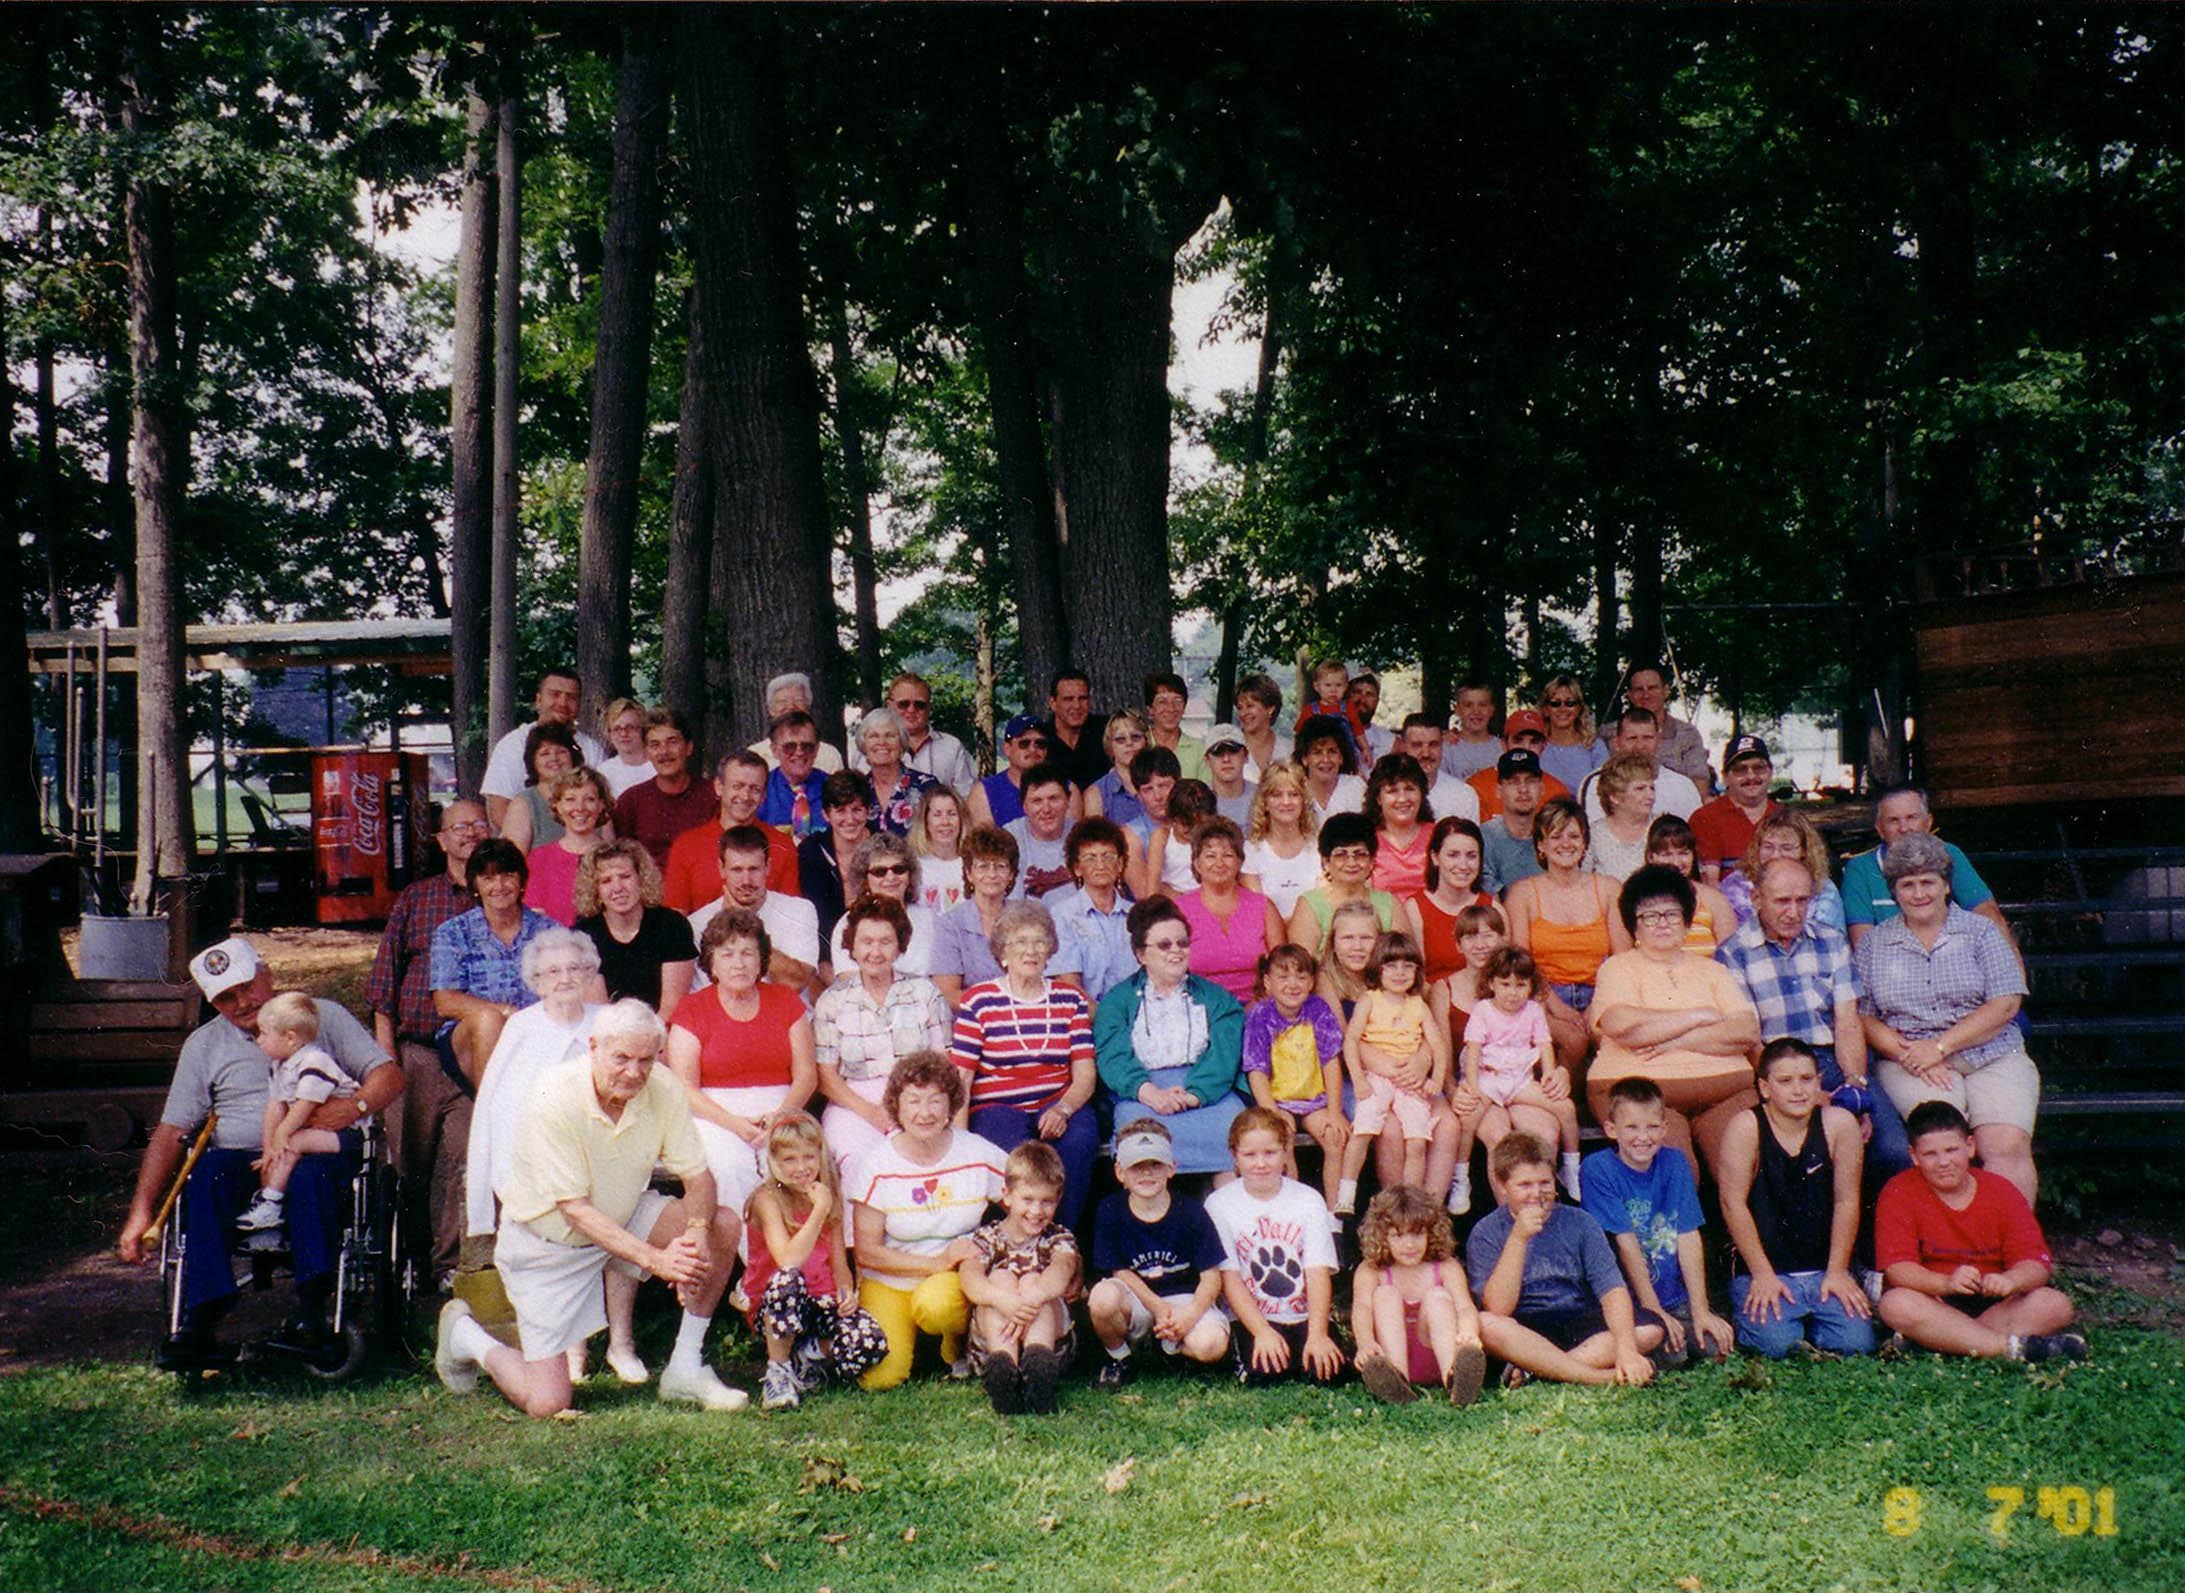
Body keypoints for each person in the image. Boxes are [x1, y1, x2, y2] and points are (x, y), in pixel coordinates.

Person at [434, 998, 747, 1415]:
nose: (634, 1072)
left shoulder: (664, 1086)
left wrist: (695, 1237)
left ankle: (684, 1369)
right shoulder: (554, 1096)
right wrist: (659, 1261)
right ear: (593, 1046)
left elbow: (698, 1176)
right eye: (621, 1058)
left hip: (623, 1214)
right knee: (547, 1402)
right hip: (548, 1244)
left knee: (722, 1224)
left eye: (645, 1060)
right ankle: (467, 1337)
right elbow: (575, 1211)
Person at [122, 939, 402, 1368]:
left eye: (246, 987)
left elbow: (388, 1076)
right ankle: (199, 1323)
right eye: (224, 998)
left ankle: (312, 1318)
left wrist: (352, 1107)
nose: (240, 1003)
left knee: (312, 1175)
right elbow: (172, 1131)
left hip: (314, 1154)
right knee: (208, 1171)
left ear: (267, 973)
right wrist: (142, 1210)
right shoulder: (204, 1045)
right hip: (243, 1162)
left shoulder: (320, 1016)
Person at [459, 930, 629, 1385]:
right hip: (542, 1165)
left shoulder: (609, 1019)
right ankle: (571, 1351)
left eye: (575, 968)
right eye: (553, 971)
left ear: (590, 972)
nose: (566, 977)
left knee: (620, 1216)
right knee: (562, 1237)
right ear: (536, 979)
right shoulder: (522, 1028)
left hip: (607, 1152)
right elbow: (500, 1104)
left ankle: (622, 1343)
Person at [1854, 831, 2038, 1202]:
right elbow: (1863, 1017)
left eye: (1928, 882)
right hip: (1911, 1061)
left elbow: (2006, 1003)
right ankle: (1951, 1248)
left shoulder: (1980, 931)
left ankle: (2011, 1247)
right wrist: (1913, 1054)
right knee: (1942, 1142)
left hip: (1991, 1054)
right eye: (1908, 885)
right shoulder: (1875, 943)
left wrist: (1940, 1046)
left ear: (1946, 886)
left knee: (2005, 1143)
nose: (1919, 893)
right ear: (1894, 891)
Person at [1716, 855, 1909, 1185]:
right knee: (1807, 1155)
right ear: (1756, 899)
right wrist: (1809, 1093)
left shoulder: (1831, 941)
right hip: (1774, 1066)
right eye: (1782, 901)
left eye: (1802, 900)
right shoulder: (1733, 953)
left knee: (1892, 1149)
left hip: (1832, 1058)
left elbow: (1848, 1022)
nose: (1793, 912)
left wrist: (1854, 1089)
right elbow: (1751, 1040)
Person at [366, 799, 488, 1287]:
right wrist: (385, 1059)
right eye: (460, 827)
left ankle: (449, 1268)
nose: (471, 834)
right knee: (407, 1163)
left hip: (469, 1056)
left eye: (480, 824)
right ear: (441, 840)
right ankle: (402, 1263)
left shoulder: (500, 898)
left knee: (466, 1160)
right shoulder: (418, 898)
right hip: (413, 1052)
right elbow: (383, 984)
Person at [1874, 1102, 2086, 1363]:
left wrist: (2012, 1280)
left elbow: (2035, 1264)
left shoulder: (2001, 1191)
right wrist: (1947, 1283)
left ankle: (1940, 1341)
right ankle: (2010, 1348)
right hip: (1936, 1299)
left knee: (2055, 1305)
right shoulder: (1899, 1191)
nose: (1943, 1162)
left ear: (1970, 1147)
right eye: (1930, 1154)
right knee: (1896, 1304)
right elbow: (1899, 1269)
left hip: (1994, 1303)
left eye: (1952, 1150)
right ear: (1914, 1156)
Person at [845, 1051, 1008, 1390]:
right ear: (896, 1106)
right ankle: (914, 1346)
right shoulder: (876, 1163)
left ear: (951, 1105)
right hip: (890, 1278)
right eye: (914, 1101)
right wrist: (934, 1262)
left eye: (936, 1101)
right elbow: (867, 1253)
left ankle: (954, 1348)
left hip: (949, 1278)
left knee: (937, 1307)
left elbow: (1022, 1192)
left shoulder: (976, 1152)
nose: (925, 1112)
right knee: (879, 1379)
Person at [1586, 865, 1760, 1170]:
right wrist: (1699, 1015)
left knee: (1740, 1168)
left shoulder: (1714, 971)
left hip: (1726, 1091)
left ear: (1687, 921)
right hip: (1643, 1092)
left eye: (1672, 914)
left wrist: (1677, 1039)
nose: (1662, 923)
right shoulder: (1618, 967)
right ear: (1634, 926)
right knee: (1676, 1171)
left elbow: (1746, 1031)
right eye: (1650, 916)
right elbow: (1622, 1026)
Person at [1714, 1040, 1875, 1359]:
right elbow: (1733, 1204)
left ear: (1819, 1082)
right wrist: (1761, 1274)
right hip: (1764, 1270)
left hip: (1822, 1269)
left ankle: (1817, 1316)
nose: (1798, 1090)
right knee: (1777, 1346)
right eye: (1785, 1081)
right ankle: (1758, 1316)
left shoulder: (1839, 1124)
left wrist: (1838, 1271)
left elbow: (1847, 1201)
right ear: (1764, 1087)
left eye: (1806, 1079)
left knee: (1856, 1344)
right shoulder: (1746, 1127)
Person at [1466, 1133, 1663, 1388]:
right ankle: (1599, 1377)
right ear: (1503, 1186)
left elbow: (1612, 1290)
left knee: (1650, 1329)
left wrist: (1626, 1351)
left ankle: (1535, 1371)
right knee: (1487, 1325)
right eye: (1525, 1185)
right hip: (1524, 1327)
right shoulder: (1486, 1232)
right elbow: (1498, 1307)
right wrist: (1518, 1239)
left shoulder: (1580, 1222)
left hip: (1576, 1320)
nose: (1537, 1194)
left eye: (1544, 1183)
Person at [950, 900, 1099, 1231]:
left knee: (1078, 1143)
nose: (1030, 950)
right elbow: (963, 1077)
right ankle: (1021, 1240)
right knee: (1016, 1160)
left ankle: (1063, 1239)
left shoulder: (1069, 999)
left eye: (1040, 941)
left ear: (1050, 951)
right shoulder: (979, 1000)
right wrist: (958, 1141)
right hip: (997, 1106)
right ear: (1003, 951)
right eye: (1020, 941)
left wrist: (1063, 1110)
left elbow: (1085, 1073)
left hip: (1059, 1101)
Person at [668, 911, 818, 1215]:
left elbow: (806, 1075)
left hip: (781, 1105)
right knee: (730, 1166)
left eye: (748, 953)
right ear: (712, 961)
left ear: (761, 958)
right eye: (728, 954)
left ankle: (797, 1253)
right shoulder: (692, 1009)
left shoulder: (786, 1001)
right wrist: (735, 1125)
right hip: (715, 1113)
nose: (739, 963)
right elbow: (684, 1087)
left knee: (789, 1161)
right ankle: (756, 1258)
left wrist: (781, 1117)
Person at [1581, 1078, 1734, 1368]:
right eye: (1632, 1127)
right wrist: (1653, 1310)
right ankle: (1649, 1337)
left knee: (1713, 1346)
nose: (1643, 1137)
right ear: (1611, 1129)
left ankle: (1680, 1325)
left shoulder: (1674, 1162)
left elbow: (1687, 1234)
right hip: (1631, 1301)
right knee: (1674, 1354)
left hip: (1675, 1298)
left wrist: (1701, 1310)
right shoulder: (1598, 1169)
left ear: (1665, 1128)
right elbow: (1625, 1243)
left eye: (1652, 1127)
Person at [743, 1112, 890, 1410]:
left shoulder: (827, 1193)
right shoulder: (767, 1199)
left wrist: (846, 1291)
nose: (801, 1168)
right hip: (778, 1305)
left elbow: (838, 1264)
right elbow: (788, 1260)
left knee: (870, 1343)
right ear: (774, 1161)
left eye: (809, 1157)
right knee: (789, 1279)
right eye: (789, 1159)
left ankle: (807, 1355)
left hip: (819, 1300)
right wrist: (818, 1211)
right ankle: (779, 1370)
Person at [1098, 897, 1250, 1175]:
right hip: (1141, 1095)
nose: (1176, 952)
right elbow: (1113, 1058)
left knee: (1235, 1131)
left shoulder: (1218, 999)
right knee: (1144, 1144)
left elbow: (1224, 1056)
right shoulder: (1116, 1001)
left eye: (1182, 943)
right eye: (1164, 945)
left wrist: (1193, 1095)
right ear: (1141, 954)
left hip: (1208, 1093)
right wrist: (1151, 1094)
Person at [1087, 1120, 1231, 1388]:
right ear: (1120, 1172)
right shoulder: (1110, 1210)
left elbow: (1211, 1276)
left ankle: (1167, 1349)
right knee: (1102, 1298)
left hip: (1184, 1299)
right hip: (1140, 1299)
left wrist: (1189, 1315)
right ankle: (1120, 1357)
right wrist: (1158, 1307)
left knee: (1211, 1345)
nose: (1146, 1174)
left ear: (1171, 1168)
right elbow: (1120, 1271)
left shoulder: (1191, 1211)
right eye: (1136, 1166)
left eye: (1155, 1164)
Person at [1206, 1108, 1345, 1384]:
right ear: (1234, 1156)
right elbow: (1229, 1277)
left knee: (1327, 1374)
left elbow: (1317, 1271)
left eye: (1270, 1153)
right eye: (1250, 1155)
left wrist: (1317, 1334)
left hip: (1302, 1314)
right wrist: (1261, 1332)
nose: (1261, 1163)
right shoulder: (1219, 1204)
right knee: (1264, 1375)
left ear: (1285, 1151)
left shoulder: (1309, 1200)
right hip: (1252, 1317)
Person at [814, 894, 951, 1167]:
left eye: (885, 942)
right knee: (858, 1161)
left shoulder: (925, 992)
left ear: (900, 946)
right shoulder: (832, 1000)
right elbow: (826, 1076)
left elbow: (944, 1062)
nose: (875, 952)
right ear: (851, 946)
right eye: (866, 942)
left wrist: (915, 1106)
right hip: (854, 1104)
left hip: (918, 1097)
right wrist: (872, 1113)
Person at [1334, 930, 1455, 1216]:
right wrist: (1360, 1078)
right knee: (1364, 1130)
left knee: (1416, 1140)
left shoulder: (1418, 1006)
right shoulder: (1370, 1000)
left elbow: (1437, 1045)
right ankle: (1346, 1194)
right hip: (1376, 1079)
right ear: (1378, 968)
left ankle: (1412, 1201)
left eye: (1408, 966)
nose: (1400, 973)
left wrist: (1435, 1079)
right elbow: (1351, 1040)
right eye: (1391, 966)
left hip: (1410, 1084)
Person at [959, 1141, 1081, 1415]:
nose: (1037, 1211)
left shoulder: (1058, 1237)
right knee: (1001, 1278)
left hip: (1052, 1345)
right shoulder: (987, 1236)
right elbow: (969, 1275)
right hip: (991, 1343)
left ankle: (1039, 1369)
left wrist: (1032, 1297)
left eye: (1046, 1201)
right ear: (1007, 1196)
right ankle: (1004, 1370)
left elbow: (1062, 1270)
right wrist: (1002, 1300)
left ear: (1058, 1199)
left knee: (1032, 1280)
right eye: (1028, 1199)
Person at [431, 839, 557, 1091]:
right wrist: (506, 1013)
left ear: (521, 881)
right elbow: (445, 1002)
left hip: (535, 1033)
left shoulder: (549, 931)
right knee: (488, 1020)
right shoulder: (453, 933)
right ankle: (491, 1114)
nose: (499, 886)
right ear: (475, 884)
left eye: (507, 875)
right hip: (469, 1037)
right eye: (488, 878)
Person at [1461, 946, 1583, 1204]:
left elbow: (1543, 1044)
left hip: (1520, 1079)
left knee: (1566, 1107)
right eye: (1505, 984)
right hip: (1488, 1078)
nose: (1513, 992)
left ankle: (1571, 1167)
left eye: (1520, 984)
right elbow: (1473, 1051)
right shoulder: (1483, 1009)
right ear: (1492, 983)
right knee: (1469, 1117)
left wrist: (1549, 1074)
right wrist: (1472, 1086)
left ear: (1530, 986)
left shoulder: (1533, 1010)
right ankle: (1460, 1175)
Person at [234, 991, 359, 1235]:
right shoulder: (279, 1066)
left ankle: (271, 1203)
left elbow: (304, 1106)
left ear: (290, 1038)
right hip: (316, 1131)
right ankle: (271, 1197)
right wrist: (270, 1146)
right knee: (285, 1147)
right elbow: (275, 1106)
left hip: (347, 1133)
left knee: (294, 1141)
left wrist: (282, 1136)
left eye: (264, 1033)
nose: (258, 1040)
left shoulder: (315, 1061)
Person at [1351, 1184, 1488, 1404]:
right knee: (1385, 1294)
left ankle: (1454, 1380)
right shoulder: (1371, 1270)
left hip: (1434, 1352)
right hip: (1387, 1358)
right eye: (1398, 1236)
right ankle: (1397, 1382)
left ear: (1431, 1231)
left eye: (1417, 1233)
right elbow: (1362, 1308)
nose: (1409, 1244)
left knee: (1437, 1297)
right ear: (1382, 1236)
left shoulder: (1445, 1267)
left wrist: (1468, 1336)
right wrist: (1365, 1343)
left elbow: (1464, 1307)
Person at [1841, 785, 2016, 955]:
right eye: (1893, 820)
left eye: (1912, 817)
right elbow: (1863, 942)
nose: (1904, 828)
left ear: (1928, 823)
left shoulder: (1949, 854)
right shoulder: (1861, 868)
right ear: (1880, 829)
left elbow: (1987, 913)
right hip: (1892, 968)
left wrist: (2009, 977)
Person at [1505, 798, 1630, 1032]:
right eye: (1555, 836)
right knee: (1573, 1040)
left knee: (1605, 1036)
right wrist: (1555, 1005)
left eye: (1573, 836)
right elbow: (1522, 962)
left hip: (1601, 990)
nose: (1566, 844)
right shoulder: (1522, 893)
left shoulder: (1609, 889)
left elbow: (1621, 958)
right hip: (1543, 993)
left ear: (1585, 843)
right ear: (1541, 845)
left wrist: (1598, 1004)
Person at [1241, 944, 1350, 1208]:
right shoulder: (1260, 1015)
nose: (1293, 984)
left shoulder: (1318, 1010)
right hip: (1277, 1102)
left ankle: (1333, 1213)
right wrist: (1271, 1111)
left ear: (1312, 981)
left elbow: (1331, 1063)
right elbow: (1256, 1071)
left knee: (1334, 1138)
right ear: (1267, 981)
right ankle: (1292, 1208)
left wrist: (1335, 1111)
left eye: (1301, 977)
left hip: (1315, 1100)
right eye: (1283, 977)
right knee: (1282, 1138)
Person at [686, 825, 824, 997]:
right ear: (721, 869)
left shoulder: (799, 910)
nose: (746, 880)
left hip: (787, 1018)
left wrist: (744, 923)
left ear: (768, 867)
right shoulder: (697, 923)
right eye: (737, 870)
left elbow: (796, 983)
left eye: (754, 869)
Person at [660, 750, 799, 912]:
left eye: (755, 789)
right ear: (719, 787)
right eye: (737, 786)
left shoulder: (782, 845)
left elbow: (791, 914)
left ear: (764, 796)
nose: (745, 796)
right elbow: (676, 919)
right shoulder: (686, 846)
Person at [572, 838, 696, 1017]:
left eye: (625, 876)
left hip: (661, 1032)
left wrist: (647, 1042)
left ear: (641, 878)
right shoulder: (584, 934)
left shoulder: (672, 925)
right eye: (606, 881)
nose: (617, 888)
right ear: (595, 890)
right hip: (609, 1035)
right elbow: (599, 1013)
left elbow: (672, 1005)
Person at [1175, 817, 1284, 1005]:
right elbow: (1170, 973)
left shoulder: (1263, 907)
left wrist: (1256, 1008)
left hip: (1258, 1008)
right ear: (1197, 864)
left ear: (1240, 862)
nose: (1219, 863)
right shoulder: (1179, 910)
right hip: (1199, 1010)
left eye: (1227, 855)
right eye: (1210, 856)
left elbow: (1281, 969)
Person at [481, 668, 604, 830]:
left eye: (571, 697)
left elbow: (601, 805)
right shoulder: (513, 744)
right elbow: (499, 808)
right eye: (555, 694)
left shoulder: (591, 748)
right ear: (538, 700)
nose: (563, 703)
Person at [1044, 817, 1137, 1005]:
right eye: (1090, 858)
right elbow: (1069, 986)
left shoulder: (1137, 915)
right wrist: (1107, 1020)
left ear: (1120, 865)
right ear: (1077, 868)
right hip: (1085, 1019)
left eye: (1108, 856)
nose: (1100, 865)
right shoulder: (1062, 915)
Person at [611, 708, 717, 869]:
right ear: (647, 753)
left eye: (672, 741)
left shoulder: (712, 795)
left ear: (689, 747)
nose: (664, 752)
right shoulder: (631, 801)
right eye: (655, 745)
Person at [824, 833, 941, 977]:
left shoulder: (930, 919)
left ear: (910, 875)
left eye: (898, 869)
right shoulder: (847, 924)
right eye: (880, 872)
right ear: (864, 880)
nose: (891, 877)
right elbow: (850, 984)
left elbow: (943, 980)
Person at [1286, 811, 1399, 952]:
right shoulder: (1310, 904)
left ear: (1372, 861)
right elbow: (1303, 966)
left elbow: (1404, 960)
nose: (1351, 863)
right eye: (1341, 855)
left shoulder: (1390, 904)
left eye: (1360, 854)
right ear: (1326, 862)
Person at [1722, 808, 1846, 935]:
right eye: (1768, 847)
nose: (1775, 855)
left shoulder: (1823, 887)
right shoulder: (1735, 885)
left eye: (1786, 848)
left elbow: (1830, 938)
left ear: (1804, 851)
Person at [850, 671, 975, 794]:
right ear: (888, 705)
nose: (911, 710)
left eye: (919, 705)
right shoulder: (868, 748)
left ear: (929, 707)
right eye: (903, 704)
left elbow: (967, 799)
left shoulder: (952, 748)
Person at [1404, 816, 1496, 984]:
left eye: (1471, 856)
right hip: (1433, 1002)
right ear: (1435, 858)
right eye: (1453, 855)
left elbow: (1505, 971)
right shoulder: (1415, 909)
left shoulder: (1493, 908)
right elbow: (1415, 979)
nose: (1463, 865)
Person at [1579, 707, 1703, 826]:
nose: (1640, 746)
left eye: (1647, 738)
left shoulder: (1682, 786)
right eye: (1632, 738)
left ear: (1658, 740)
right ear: (1617, 743)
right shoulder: (1596, 783)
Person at [1596, 664, 1711, 792]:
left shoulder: (1688, 734)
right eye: (1639, 689)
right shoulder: (1606, 733)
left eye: (1652, 688)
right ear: (1630, 695)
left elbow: (1700, 781)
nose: (1646, 695)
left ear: (1666, 691)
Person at [521, 767, 613, 926]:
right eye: (570, 799)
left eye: (589, 799)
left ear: (601, 805)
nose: (580, 808)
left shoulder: (616, 856)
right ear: (557, 805)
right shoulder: (539, 858)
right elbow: (535, 918)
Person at [799, 770, 877, 945]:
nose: (850, 819)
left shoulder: (885, 846)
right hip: (829, 945)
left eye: (857, 810)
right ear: (826, 815)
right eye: (840, 811)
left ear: (868, 811)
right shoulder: (812, 851)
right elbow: (817, 914)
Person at [1689, 734, 1780, 884]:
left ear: (1770, 773)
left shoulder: (1786, 817)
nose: (1751, 776)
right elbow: (1710, 884)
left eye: (1759, 768)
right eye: (1740, 770)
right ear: (1725, 777)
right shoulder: (1706, 818)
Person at [1240, 760, 1321, 921]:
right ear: (1265, 803)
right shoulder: (1250, 852)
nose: (1286, 802)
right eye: (1276, 795)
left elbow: (1322, 907)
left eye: (1294, 794)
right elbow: (1259, 913)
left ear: (1303, 801)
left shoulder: (1319, 849)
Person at [1643, 814, 1738, 950]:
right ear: (1651, 857)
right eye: (1667, 855)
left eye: (1683, 853)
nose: (1676, 862)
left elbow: (1731, 956)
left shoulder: (1714, 900)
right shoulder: (1636, 901)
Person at [1465, 710, 1572, 821]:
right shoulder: (1476, 786)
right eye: (1518, 740)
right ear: (1504, 743)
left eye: (1534, 742)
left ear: (1543, 746)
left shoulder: (1558, 790)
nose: (1526, 747)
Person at [852, 706, 940, 838]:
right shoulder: (856, 790)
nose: (882, 742)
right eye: (873, 736)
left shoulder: (927, 786)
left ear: (901, 744)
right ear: (864, 745)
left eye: (890, 735)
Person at [497, 722, 582, 854]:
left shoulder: (592, 798)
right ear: (533, 760)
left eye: (561, 751)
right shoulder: (524, 804)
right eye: (545, 753)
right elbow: (512, 863)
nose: (554, 758)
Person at [1477, 749, 1550, 894]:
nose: (1523, 789)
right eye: (1513, 782)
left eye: (1530, 781)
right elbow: (1490, 902)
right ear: (1498, 790)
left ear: (1541, 788)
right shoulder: (1483, 838)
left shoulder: (1554, 836)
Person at [1365, 753, 1436, 897]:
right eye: (1392, 791)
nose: (1402, 799)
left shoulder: (1439, 836)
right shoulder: (1365, 840)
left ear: (1422, 793)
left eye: (1410, 789)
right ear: (1378, 798)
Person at [1581, 752, 1657, 884]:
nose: (1650, 795)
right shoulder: (1594, 834)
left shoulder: (1663, 828)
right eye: (1640, 789)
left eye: (1652, 788)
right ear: (1614, 797)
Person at [746, 672, 844, 773]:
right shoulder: (756, 754)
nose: (791, 706)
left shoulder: (829, 755)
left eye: (798, 700)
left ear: (808, 706)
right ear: (770, 710)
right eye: (782, 702)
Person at [970, 713, 1052, 831]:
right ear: (1007, 749)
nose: (1033, 749)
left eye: (1040, 744)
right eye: (1024, 743)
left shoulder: (1067, 789)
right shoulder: (984, 792)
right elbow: (984, 846)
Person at [1005, 764, 1075, 900]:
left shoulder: (1083, 837)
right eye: (1037, 801)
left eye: (1054, 798)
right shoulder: (1010, 838)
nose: (1046, 809)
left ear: (1068, 800)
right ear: (1024, 806)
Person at [1398, 713, 1482, 826]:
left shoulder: (1463, 795)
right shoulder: (1387, 795)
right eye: (1417, 745)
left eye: (1433, 745)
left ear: (1442, 745)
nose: (1426, 753)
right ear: (1402, 746)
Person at [758, 710, 830, 839]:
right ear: (774, 750)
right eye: (790, 747)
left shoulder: (833, 788)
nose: (799, 753)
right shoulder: (760, 790)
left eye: (807, 746)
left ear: (817, 749)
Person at [1038, 668, 1112, 792]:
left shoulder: (1107, 730)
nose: (1077, 706)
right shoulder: (1039, 739)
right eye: (1068, 699)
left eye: (1082, 698)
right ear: (1053, 703)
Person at [1081, 707, 1151, 827]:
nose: (1129, 743)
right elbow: (1096, 843)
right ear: (1110, 746)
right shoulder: (1096, 794)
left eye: (1135, 737)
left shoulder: (1163, 783)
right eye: (1120, 739)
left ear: (1146, 741)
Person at [1536, 673, 1605, 795]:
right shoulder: (1537, 746)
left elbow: (1603, 790)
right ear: (1546, 709)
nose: (1563, 708)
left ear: (1579, 709)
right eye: (1555, 703)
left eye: (1570, 703)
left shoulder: (1594, 747)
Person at [1316, 897, 1383, 1019]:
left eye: (1366, 938)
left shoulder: (1390, 976)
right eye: (1347, 938)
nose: (1357, 946)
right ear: (1333, 943)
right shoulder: (1324, 980)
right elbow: (1341, 1035)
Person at [1295, 715, 1366, 823]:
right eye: (1317, 752)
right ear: (1304, 759)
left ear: (1341, 758)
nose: (1326, 759)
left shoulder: (1355, 786)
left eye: (1332, 751)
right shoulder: (1295, 791)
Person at [908, 784, 968, 913]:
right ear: (925, 821)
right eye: (937, 815)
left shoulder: (972, 866)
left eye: (952, 814)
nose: (945, 821)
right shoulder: (913, 866)